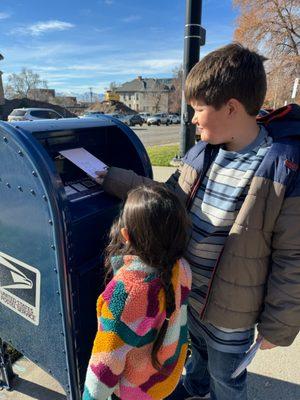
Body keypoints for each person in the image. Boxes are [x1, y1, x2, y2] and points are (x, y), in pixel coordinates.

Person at [96, 43, 300, 400]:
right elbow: (166, 198)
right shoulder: (203, 154)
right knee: (196, 355)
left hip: (232, 314)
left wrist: (277, 326)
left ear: (231, 109)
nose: (191, 119)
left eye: (198, 109)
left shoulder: (283, 169)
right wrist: (110, 176)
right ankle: (195, 386)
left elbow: (293, 257)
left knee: (227, 376)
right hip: (188, 292)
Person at [82, 185, 192, 400]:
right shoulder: (183, 268)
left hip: (135, 392)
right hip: (164, 379)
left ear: (126, 236)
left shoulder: (124, 295)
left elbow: (105, 365)